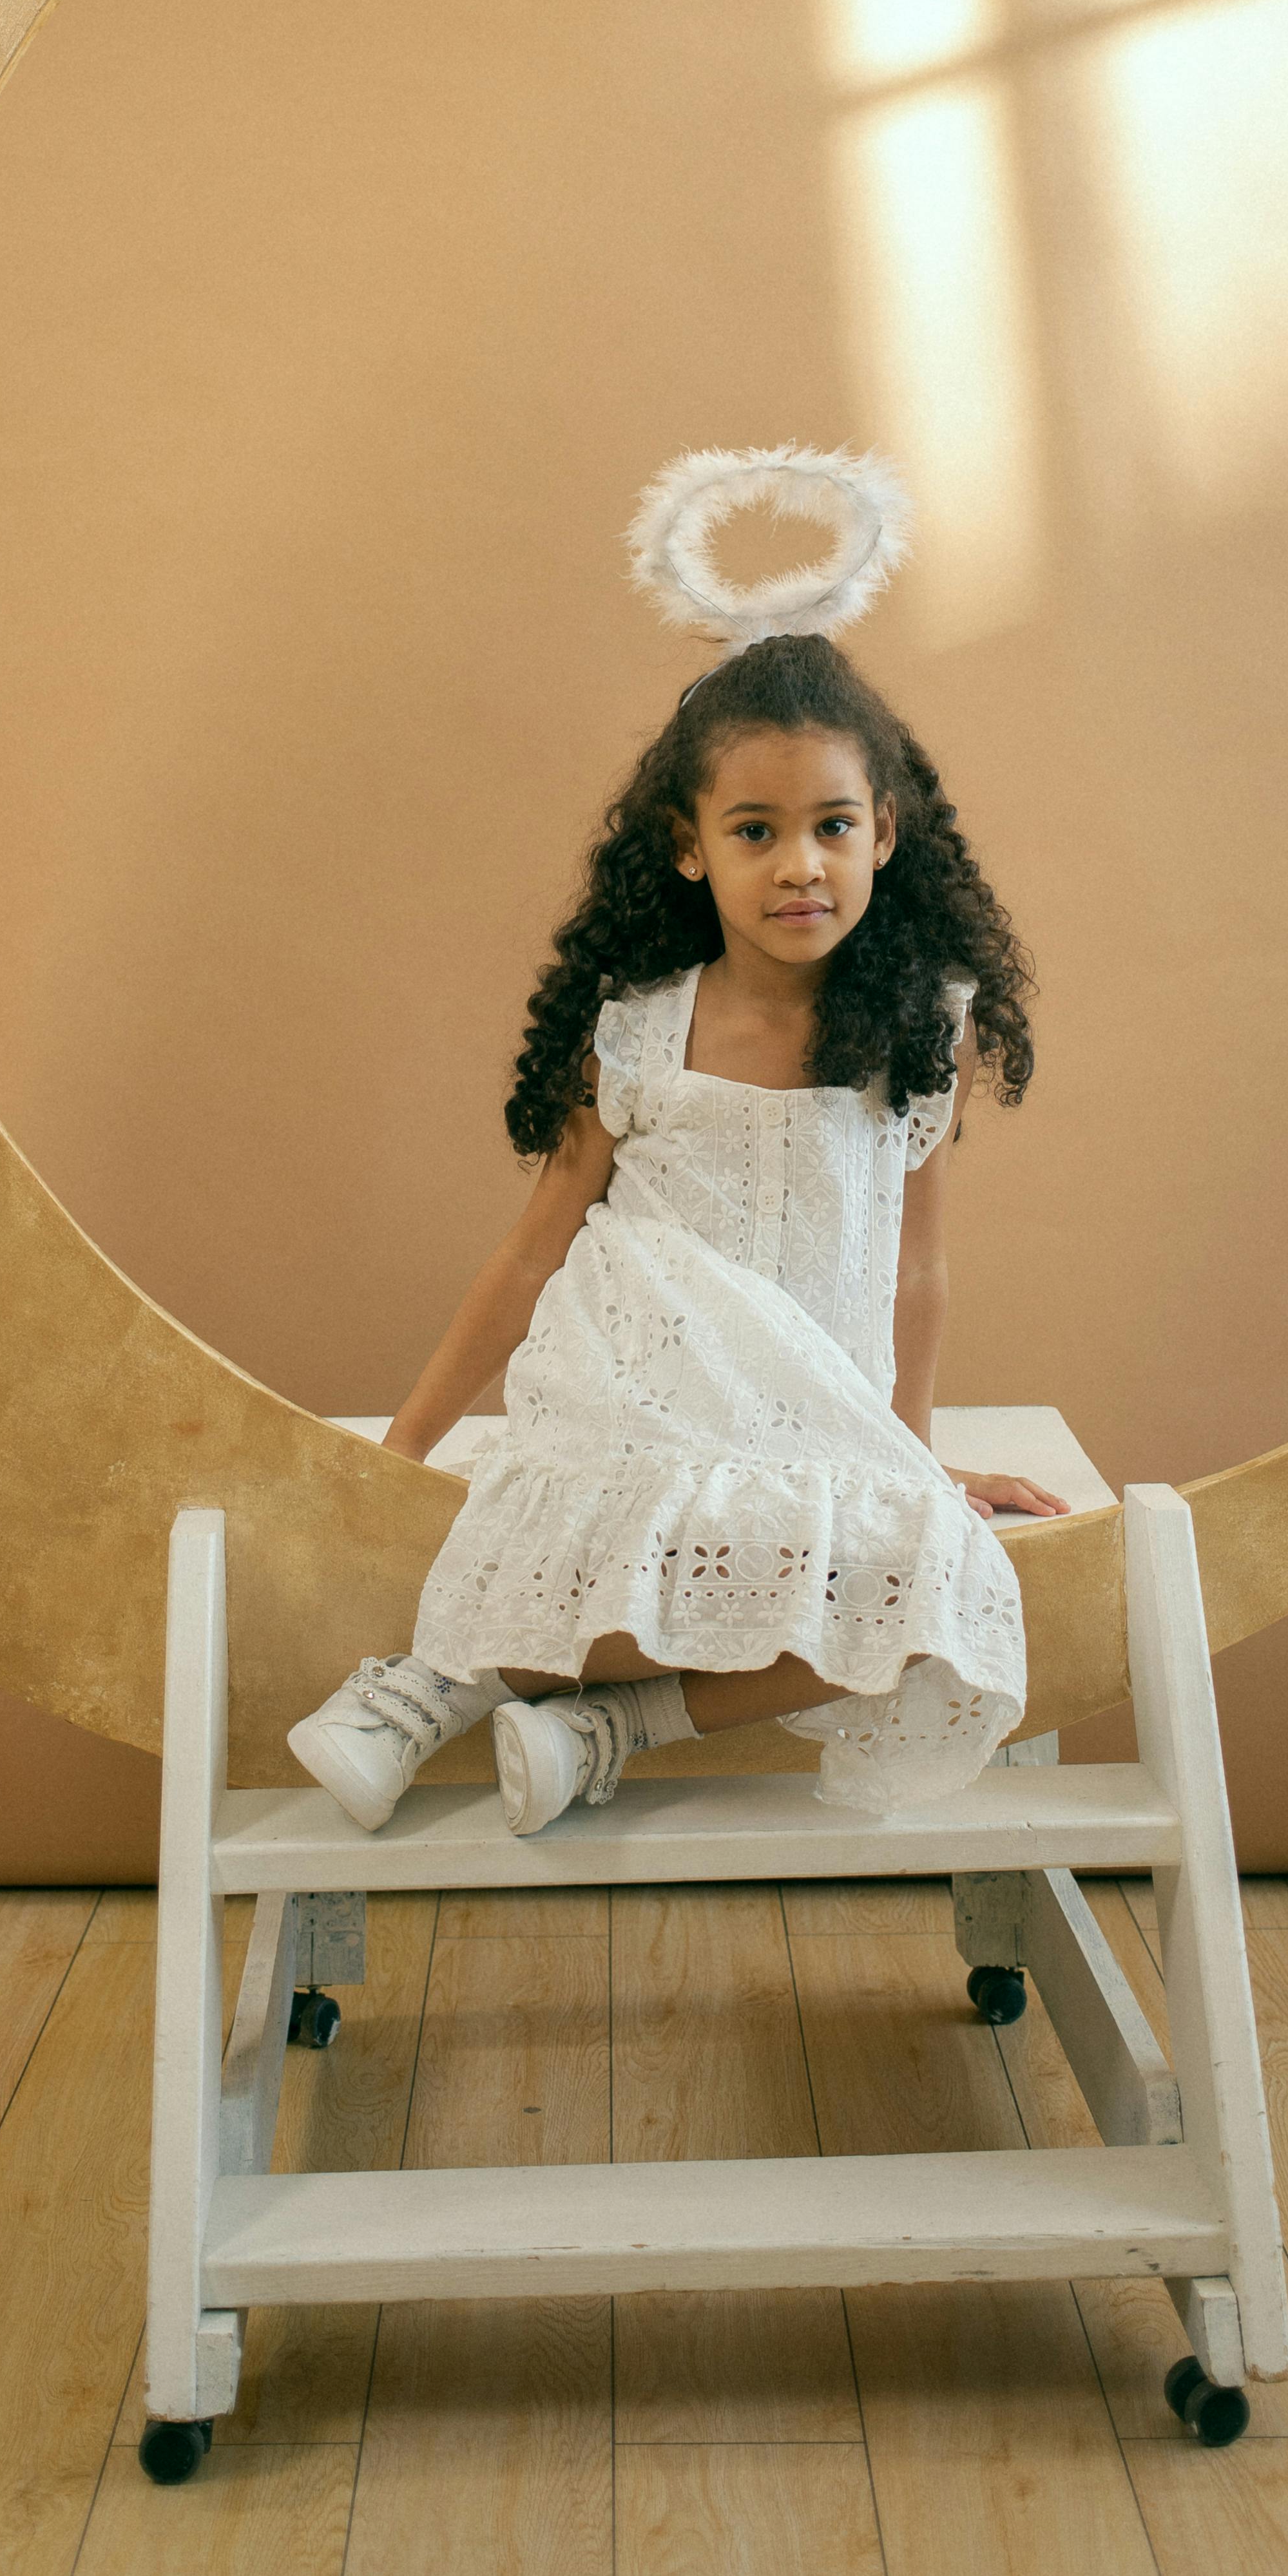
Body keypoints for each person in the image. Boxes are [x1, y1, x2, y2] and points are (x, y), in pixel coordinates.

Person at [287, 444, 1065, 1840]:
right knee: (593, 1515)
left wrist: (903, 1457)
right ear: (690, 845)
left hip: (807, 1398)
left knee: (941, 1586)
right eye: (755, 831)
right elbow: (534, 1252)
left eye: (832, 827)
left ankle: (610, 1729)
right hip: (637, 1376)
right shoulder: (638, 1031)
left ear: (886, 834)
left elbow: (917, 1274)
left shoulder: (915, 1037)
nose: (800, 865)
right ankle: (423, 1685)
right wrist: (401, 1450)